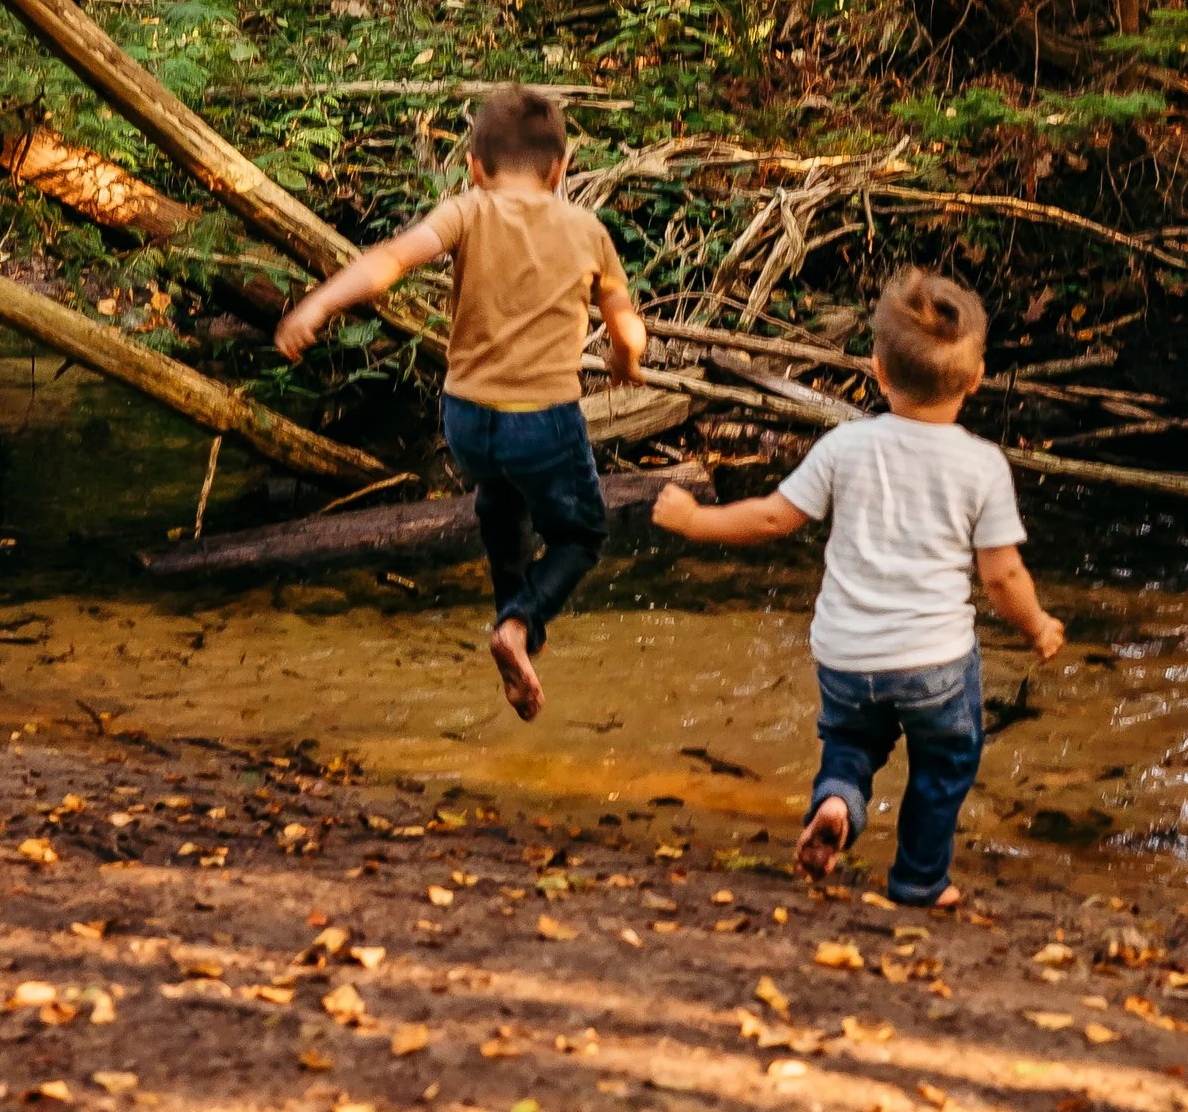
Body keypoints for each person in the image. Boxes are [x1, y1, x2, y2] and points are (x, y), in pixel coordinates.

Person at [652, 268, 1065, 906]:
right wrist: (1036, 625)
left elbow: (771, 517)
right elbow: (1002, 575)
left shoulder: (845, 446)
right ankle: (920, 881)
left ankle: (839, 804)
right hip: (934, 666)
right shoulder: (982, 465)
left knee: (850, 744)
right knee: (943, 765)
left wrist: (695, 519)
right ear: (977, 379)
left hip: (846, 658)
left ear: (877, 368)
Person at [274, 84, 648, 718]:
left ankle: (514, 625)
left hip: (469, 420)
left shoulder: (466, 213)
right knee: (581, 534)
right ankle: (519, 626)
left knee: (500, 507)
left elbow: (391, 260)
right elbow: (623, 320)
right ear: (561, 168)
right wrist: (625, 361)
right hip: (545, 420)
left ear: (474, 166)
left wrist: (317, 303)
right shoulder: (588, 230)